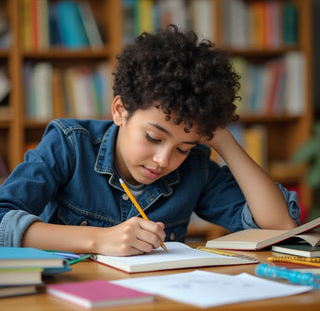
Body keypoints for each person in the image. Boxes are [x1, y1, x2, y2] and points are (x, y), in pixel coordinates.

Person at [0, 25, 299, 256]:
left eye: (183, 147)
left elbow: (278, 226)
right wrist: (100, 239)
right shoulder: (70, 145)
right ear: (120, 110)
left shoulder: (195, 167)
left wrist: (222, 139)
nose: (164, 160)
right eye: (153, 137)